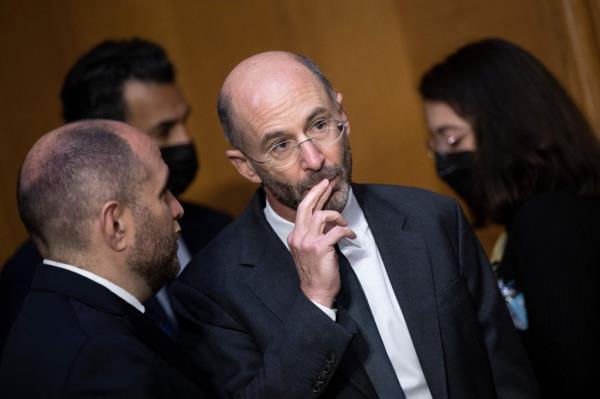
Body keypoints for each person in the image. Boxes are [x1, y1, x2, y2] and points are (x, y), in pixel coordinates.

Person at [171, 51, 539, 399]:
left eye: (319, 124)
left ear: (341, 114)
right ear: (246, 166)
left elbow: (505, 371)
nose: (314, 159)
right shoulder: (212, 288)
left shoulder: (433, 219)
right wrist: (315, 303)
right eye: (281, 145)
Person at [0, 38, 231, 350]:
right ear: (103, 142)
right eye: (164, 130)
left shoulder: (219, 231)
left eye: (184, 122)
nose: (185, 139)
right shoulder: (31, 283)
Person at [419, 38, 600, 398]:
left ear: (504, 128)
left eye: (452, 139)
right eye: (436, 144)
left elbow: (572, 372)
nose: (442, 160)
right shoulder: (540, 217)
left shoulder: (549, 222)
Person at [0, 120, 217, 397]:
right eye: (163, 193)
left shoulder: (51, 314)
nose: (177, 208)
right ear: (115, 225)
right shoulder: (105, 364)